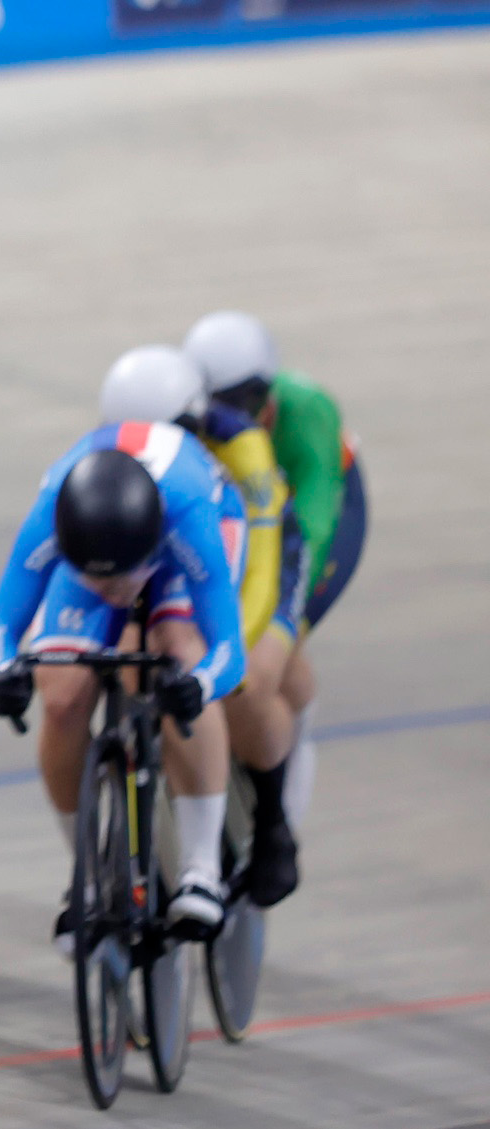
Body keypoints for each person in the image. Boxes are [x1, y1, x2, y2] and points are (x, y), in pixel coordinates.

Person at [0, 420, 247, 938]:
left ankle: (201, 871)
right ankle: (84, 877)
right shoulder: (51, 517)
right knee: (59, 699)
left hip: (188, 539)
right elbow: (0, 629)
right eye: (97, 575)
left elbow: (228, 651)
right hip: (110, 535)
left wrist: (199, 685)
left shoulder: (189, 514)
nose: (111, 587)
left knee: (180, 647)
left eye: (119, 575)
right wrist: (3, 673)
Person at [99, 344, 304, 906]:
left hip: (256, 549)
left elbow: (258, 569)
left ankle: (272, 825)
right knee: (129, 651)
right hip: (174, 544)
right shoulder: (124, 444)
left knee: (250, 679)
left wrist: (226, 647)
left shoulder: (241, 447)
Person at [184, 310, 367, 859]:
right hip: (245, 508)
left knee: (270, 660)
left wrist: (279, 622)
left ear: (269, 401)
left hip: (314, 512)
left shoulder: (306, 409)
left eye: (244, 409)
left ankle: (278, 814)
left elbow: (309, 525)